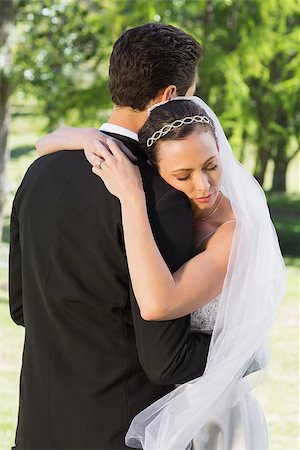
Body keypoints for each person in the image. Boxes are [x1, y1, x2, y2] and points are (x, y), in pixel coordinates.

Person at [37, 96, 286, 449]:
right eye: (183, 175)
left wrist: (132, 196)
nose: (204, 186)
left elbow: (158, 304)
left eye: (212, 165)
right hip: (157, 400)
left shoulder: (235, 231)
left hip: (212, 410)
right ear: (155, 168)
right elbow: (43, 143)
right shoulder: (171, 215)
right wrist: (90, 138)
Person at [9, 24, 212, 450]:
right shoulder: (160, 195)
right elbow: (166, 360)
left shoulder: (40, 172)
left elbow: (23, 307)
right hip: (120, 435)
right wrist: (240, 346)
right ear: (171, 96)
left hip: (37, 432)